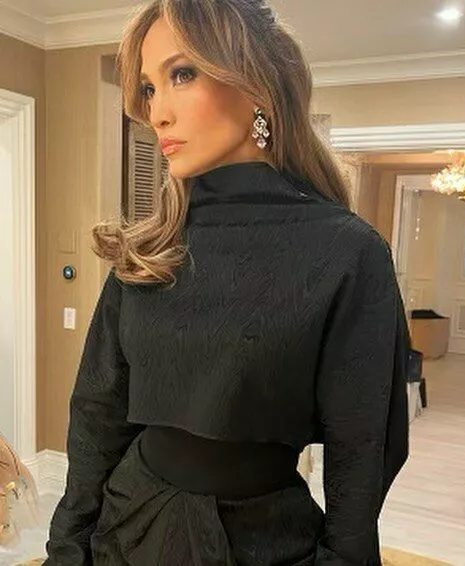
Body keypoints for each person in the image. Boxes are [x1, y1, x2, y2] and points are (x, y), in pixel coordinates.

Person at [44, 0, 411, 564]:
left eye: (181, 74)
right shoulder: (152, 249)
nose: (156, 112)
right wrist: (67, 548)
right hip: (126, 526)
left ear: (256, 82)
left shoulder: (348, 253)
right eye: (149, 88)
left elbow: (362, 450)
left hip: (267, 540)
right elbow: (97, 414)